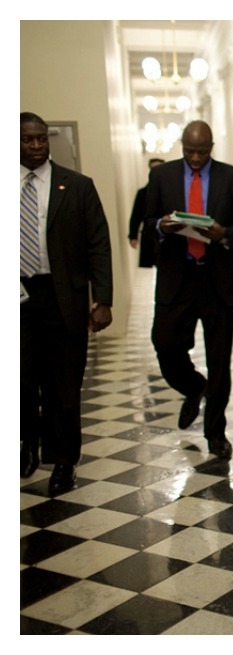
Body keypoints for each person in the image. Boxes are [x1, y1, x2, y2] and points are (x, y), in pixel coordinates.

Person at [143, 120, 233, 459]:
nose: (195, 157)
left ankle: (215, 433)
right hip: (177, 278)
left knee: (220, 361)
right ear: (181, 145)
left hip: (217, 280)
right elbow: (147, 222)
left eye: (202, 152)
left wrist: (223, 234)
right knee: (164, 343)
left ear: (211, 147)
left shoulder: (232, 177)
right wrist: (162, 226)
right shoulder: (161, 177)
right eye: (189, 151)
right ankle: (194, 387)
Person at [20, 112, 113, 495]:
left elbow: (99, 245)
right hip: (17, 297)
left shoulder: (76, 186)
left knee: (63, 386)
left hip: (62, 300)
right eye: (29, 140)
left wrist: (102, 299)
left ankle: (63, 461)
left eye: (42, 139)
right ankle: (27, 444)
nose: (38, 146)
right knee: (22, 381)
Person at [128, 157, 165, 267]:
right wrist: (133, 236)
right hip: (149, 235)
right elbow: (136, 215)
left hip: (168, 235)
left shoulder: (171, 192)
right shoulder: (143, 193)